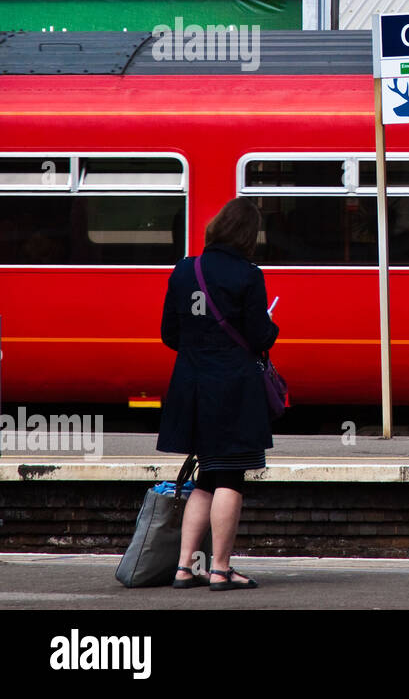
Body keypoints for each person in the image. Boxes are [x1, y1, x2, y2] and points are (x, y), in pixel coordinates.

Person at [157, 197, 278, 591]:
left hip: (191, 385)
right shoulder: (248, 275)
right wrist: (270, 327)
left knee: (207, 476)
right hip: (233, 389)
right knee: (230, 475)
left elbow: (169, 335)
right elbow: (260, 337)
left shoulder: (184, 269)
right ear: (248, 235)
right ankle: (221, 569)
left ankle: (183, 568)